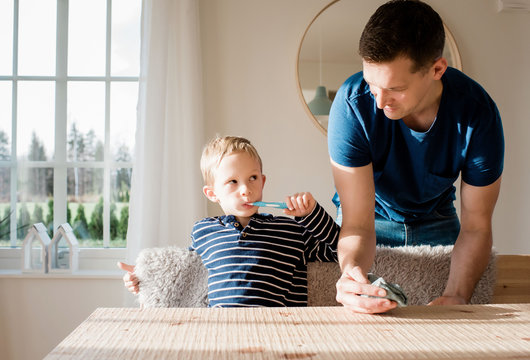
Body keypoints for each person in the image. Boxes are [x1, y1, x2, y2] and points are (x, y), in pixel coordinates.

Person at [327, 0, 504, 314]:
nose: (380, 103)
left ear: (436, 70)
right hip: (372, 218)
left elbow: (477, 226)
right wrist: (350, 273)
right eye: (372, 85)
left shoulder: (479, 114)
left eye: (395, 88)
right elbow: (357, 222)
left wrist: (457, 296)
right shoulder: (351, 103)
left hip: (436, 217)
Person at [120, 136, 340, 307]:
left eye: (253, 178)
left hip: (281, 334)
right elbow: (183, 274)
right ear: (212, 193)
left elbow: (340, 251)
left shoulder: (290, 231)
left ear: (262, 182)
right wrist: (144, 277)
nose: (246, 189)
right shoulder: (203, 231)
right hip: (221, 334)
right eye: (232, 182)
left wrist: (312, 215)